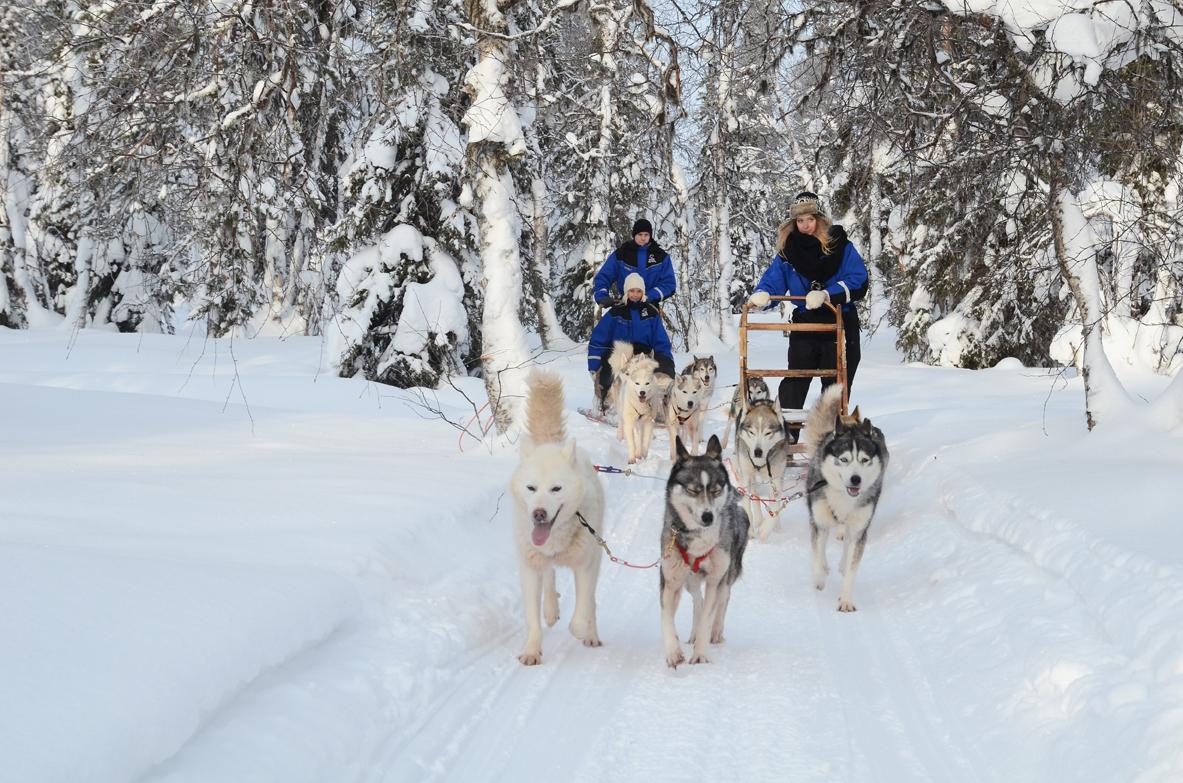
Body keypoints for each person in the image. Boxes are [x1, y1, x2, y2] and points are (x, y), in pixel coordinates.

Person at [747, 191, 868, 418]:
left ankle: (830, 436)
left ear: (819, 219)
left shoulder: (840, 246)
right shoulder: (788, 252)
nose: (805, 225)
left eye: (810, 219)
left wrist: (827, 294)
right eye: (800, 221)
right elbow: (774, 279)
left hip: (839, 321)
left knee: (835, 384)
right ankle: (785, 434)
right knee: (796, 379)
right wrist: (763, 295)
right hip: (806, 322)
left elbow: (859, 280)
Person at [588, 272, 676, 411]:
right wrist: (594, 365)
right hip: (620, 355)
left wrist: (666, 363)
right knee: (607, 376)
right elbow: (599, 339)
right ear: (626, 292)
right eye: (632, 291)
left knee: (654, 378)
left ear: (643, 292)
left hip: (643, 355)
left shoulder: (650, 312)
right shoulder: (616, 312)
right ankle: (607, 404)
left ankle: (656, 408)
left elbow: (661, 341)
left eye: (639, 291)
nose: (635, 294)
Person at [593, 218, 677, 307]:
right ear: (634, 235)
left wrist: (649, 296)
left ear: (650, 235)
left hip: (650, 306)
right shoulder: (621, 254)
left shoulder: (661, 256)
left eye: (646, 234)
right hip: (624, 305)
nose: (643, 238)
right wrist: (602, 296)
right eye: (640, 234)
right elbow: (603, 277)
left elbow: (669, 284)